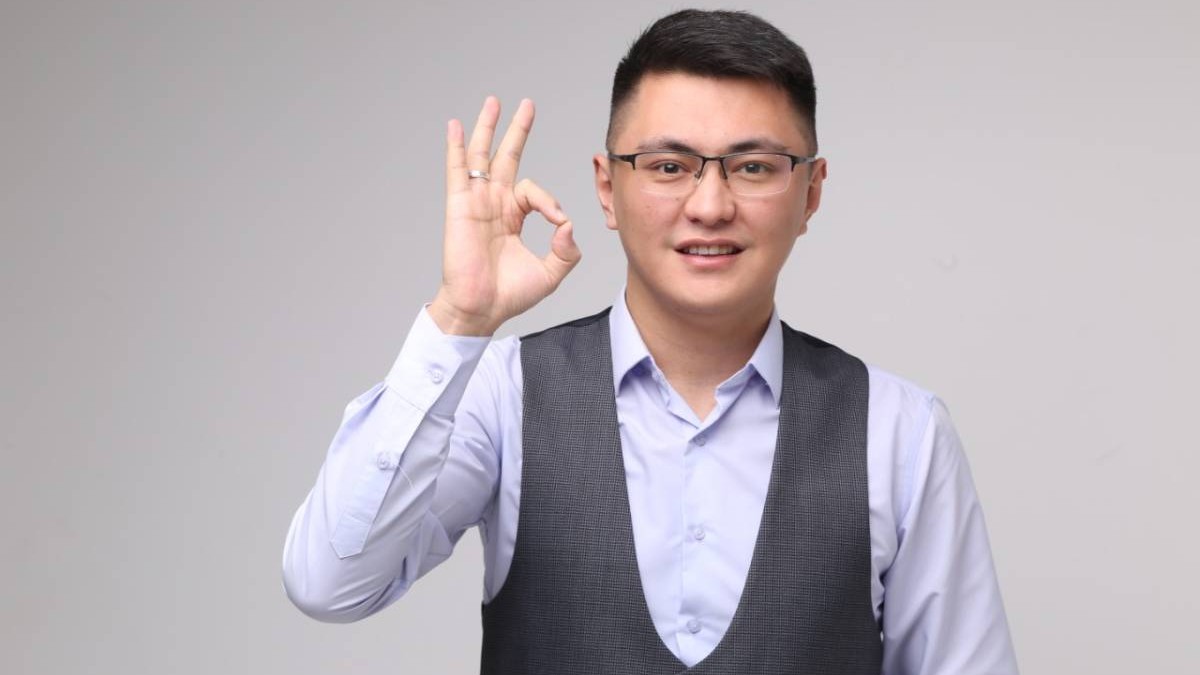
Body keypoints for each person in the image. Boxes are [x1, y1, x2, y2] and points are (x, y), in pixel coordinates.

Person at [282, 8, 1019, 674]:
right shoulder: (505, 395)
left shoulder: (900, 430)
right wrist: (458, 319)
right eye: (669, 166)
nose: (710, 205)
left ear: (811, 193)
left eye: (753, 167)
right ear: (607, 188)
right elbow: (330, 583)